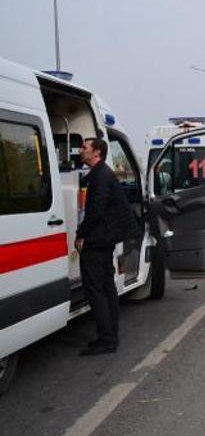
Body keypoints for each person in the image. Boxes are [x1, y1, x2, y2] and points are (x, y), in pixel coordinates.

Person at [75, 137, 140, 356]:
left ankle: (106, 339)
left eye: (84, 147)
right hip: (106, 238)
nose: (80, 150)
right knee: (106, 287)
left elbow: (96, 210)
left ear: (97, 153)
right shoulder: (102, 173)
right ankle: (110, 335)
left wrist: (80, 234)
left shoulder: (100, 176)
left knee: (95, 290)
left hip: (98, 239)